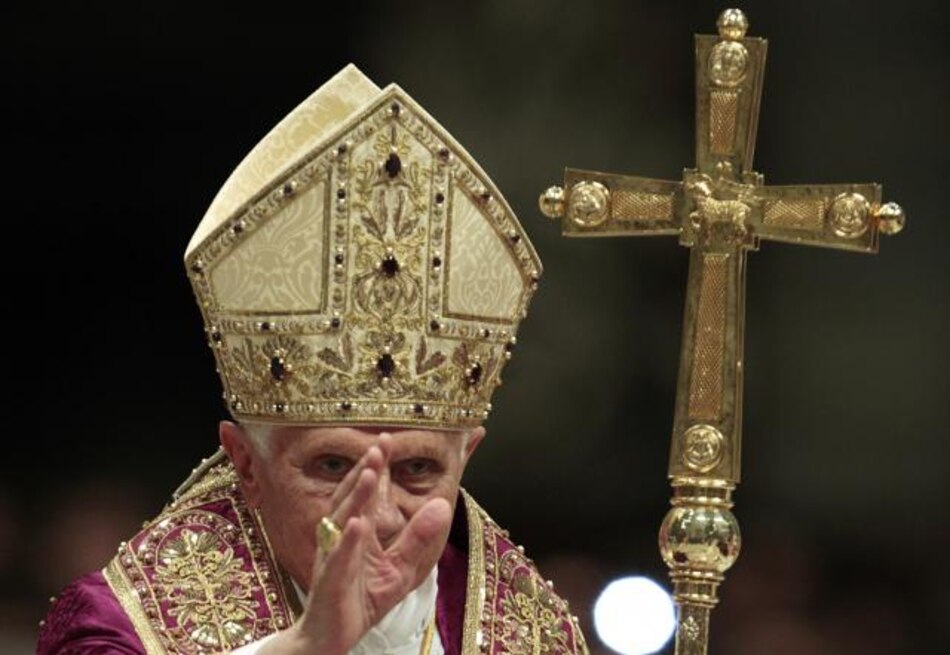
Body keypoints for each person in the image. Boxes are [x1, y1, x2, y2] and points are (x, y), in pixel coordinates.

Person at [37, 65, 589, 655]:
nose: (375, 518)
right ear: (247, 465)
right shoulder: (115, 630)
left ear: (466, 457)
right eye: (333, 466)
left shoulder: (536, 634)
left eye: (418, 471)